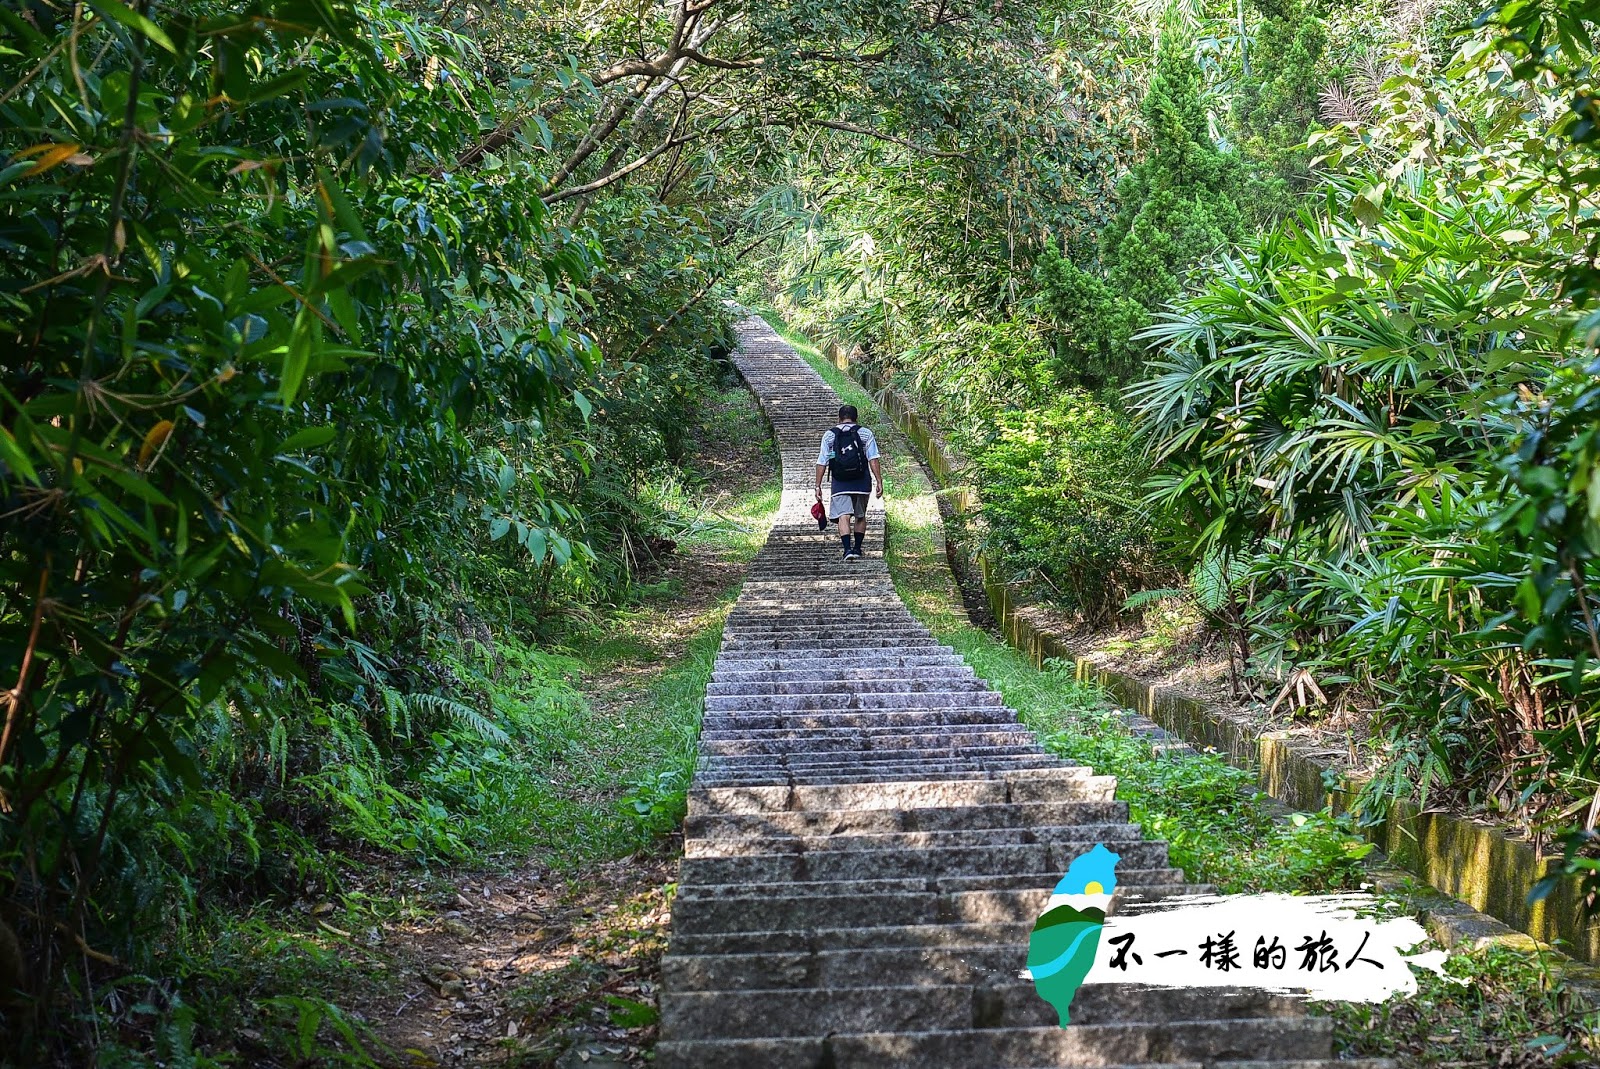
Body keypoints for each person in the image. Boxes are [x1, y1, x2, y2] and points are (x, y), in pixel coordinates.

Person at [815, 404, 884, 561]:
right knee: (860, 515)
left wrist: (817, 485)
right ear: (856, 418)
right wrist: (879, 480)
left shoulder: (830, 435)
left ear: (839, 419)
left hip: (840, 482)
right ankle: (857, 549)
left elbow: (822, 461)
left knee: (843, 516)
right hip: (861, 481)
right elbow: (873, 458)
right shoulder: (865, 433)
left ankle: (847, 550)